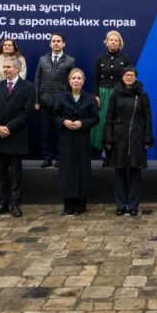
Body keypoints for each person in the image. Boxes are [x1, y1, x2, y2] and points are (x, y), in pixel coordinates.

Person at [0, 56, 34, 217]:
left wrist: (9, 127)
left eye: (8, 67)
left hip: (16, 136)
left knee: (15, 174)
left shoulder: (28, 87)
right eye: (4, 67)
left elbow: (26, 112)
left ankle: (15, 204)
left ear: (17, 69)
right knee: (0, 174)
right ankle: (1, 204)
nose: (5, 70)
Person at [104, 67, 153, 216]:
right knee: (119, 172)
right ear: (122, 77)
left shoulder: (142, 95)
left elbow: (147, 117)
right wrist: (109, 136)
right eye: (127, 75)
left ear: (136, 77)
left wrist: (147, 136)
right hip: (119, 138)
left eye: (132, 75)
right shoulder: (115, 94)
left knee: (135, 173)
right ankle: (120, 205)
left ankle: (133, 205)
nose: (129, 77)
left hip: (137, 138)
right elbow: (109, 117)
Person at [53, 68, 98, 215]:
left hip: (82, 138)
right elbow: (55, 117)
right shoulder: (61, 97)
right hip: (66, 138)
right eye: (73, 78)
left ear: (83, 81)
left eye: (79, 78)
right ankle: (68, 205)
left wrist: (82, 123)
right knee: (67, 171)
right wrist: (64, 121)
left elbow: (95, 118)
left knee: (82, 170)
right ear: (69, 81)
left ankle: (80, 205)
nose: (76, 81)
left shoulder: (90, 98)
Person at [34, 33, 75, 168]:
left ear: (64, 44)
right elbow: (37, 81)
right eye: (53, 41)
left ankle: (60, 158)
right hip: (44, 101)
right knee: (45, 133)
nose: (56, 43)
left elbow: (73, 83)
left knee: (60, 133)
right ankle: (47, 158)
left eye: (58, 41)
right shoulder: (42, 59)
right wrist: (36, 100)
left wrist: (70, 101)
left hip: (61, 103)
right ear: (50, 44)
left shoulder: (70, 60)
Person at [92, 30, 131, 160]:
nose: (113, 42)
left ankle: (117, 152)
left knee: (118, 123)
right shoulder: (100, 59)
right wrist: (96, 95)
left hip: (119, 94)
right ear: (106, 42)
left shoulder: (125, 59)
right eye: (111, 40)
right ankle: (105, 151)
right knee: (103, 122)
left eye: (116, 40)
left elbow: (129, 78)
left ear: (120, 43)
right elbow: (95, 79)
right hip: (103, 94)